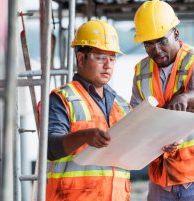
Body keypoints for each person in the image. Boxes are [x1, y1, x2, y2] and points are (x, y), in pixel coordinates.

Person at [130, 0, 194, 200]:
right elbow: (137, 118)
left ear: (175, 34)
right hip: (162, 180)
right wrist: (155, 138)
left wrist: (186, 97)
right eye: (148, 43)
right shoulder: (141, 72)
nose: (156, 49)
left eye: (161, 41)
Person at [41, 19, 131, 201]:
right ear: (81, 58)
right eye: (100, 58)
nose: (108, 65)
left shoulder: (121, 105)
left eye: (112, 59)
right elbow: (50, 147)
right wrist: (85, 136)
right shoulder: (61, 99)